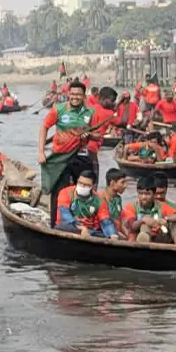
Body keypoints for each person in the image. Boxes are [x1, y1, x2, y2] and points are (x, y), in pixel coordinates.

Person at [37, 80, 96, 225]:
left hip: (80, 156)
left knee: (84, 191)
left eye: (78, 95)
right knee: (59, 191)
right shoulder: (59, 109)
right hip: (60, 157)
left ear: (84, 96)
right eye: (72, 94)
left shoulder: (90, 112)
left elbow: (97, 135)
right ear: (68, 94)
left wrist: (88, 136)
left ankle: (83, 222)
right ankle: (55, 225)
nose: (75, 97)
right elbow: (44, 127)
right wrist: (41, 152)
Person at [54, 171, 117, 238]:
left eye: (86, 185)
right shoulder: (66, 192)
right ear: (77, 181)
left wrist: (112, 234)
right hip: (70, 226)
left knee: (108, 234)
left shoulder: (99, 199)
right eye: (80, 183)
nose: (82, 186)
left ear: (93, 186)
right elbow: (65, 214)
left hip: (90, 230)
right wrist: (81, 227)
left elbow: (105, 220)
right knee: (62, 227)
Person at [119, 177, 176, 244]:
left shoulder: (161, 206)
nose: (144, 197)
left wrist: (166, 219)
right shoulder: (131, 206)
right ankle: (143, 247)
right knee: (144, 225)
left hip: (160, 236)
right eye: (141, 193)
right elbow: (132, 225)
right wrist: (143, 220)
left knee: (175, 222)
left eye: (147, 194)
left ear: (154, 194)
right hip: (141, 237)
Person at [101, 168, 130, 239]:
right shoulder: (101, 198)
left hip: (118, 231)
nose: (125, 185)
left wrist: (128, 236)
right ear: (113, 183)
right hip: (107, 232)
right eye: (122, 182)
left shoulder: (118, 198)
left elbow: (120, 219)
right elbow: (104, 222)